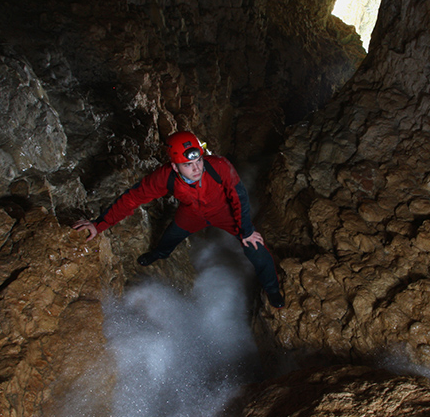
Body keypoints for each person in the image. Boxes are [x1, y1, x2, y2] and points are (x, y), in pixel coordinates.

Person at [73, 130, 285, 308]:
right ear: (175, 166)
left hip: (224, 212)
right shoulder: (165, 176)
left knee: (256, 248)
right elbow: (132, 198)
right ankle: (159, 254)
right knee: (171, 235)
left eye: (199, 160)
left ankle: (272, 289)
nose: (197, 169)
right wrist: (99, 224)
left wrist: (246, 230)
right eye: (188, 165)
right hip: (192, 213)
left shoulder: (219, 166)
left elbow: (239, 197)